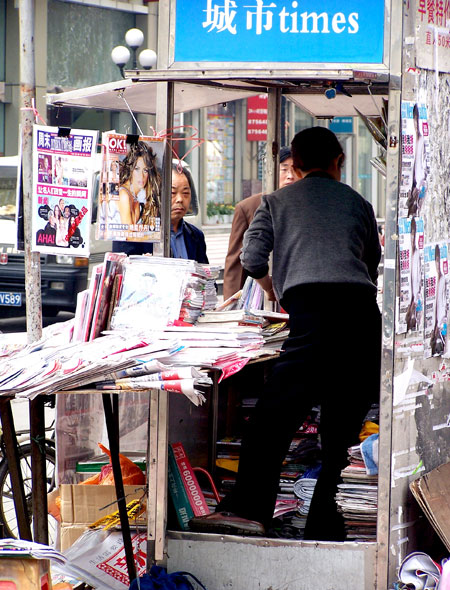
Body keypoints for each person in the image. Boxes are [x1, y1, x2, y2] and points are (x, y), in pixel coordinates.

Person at [190, 127, 381, 540]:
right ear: (338, 162)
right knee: (342, 428)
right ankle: (325, 523)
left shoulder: (275, 203)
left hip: (310, 315)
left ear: (292, 164)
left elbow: (253, 257)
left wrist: (273, 287)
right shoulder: (359, 203)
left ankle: (248, 509)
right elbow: (372, 262)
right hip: (362, 318)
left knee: (272, 419)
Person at [223, 146, 300, 300]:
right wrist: (231, 304)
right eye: (284, 169)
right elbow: (235, 264)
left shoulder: (306, 205)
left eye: (295, 170)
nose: (290, 176)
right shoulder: (249, 207)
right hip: (260, 295)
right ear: (271, 171)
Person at [112, 164, 208, 263]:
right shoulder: (135, 234)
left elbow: (204, 273)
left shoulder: (196, 236)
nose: (180, 199)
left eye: (185, 193)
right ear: (156, 193)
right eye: (173, 193)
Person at [117, 141, 161, 228]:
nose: (141, 176)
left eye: (145, 170)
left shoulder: (140, 195)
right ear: (130, 170)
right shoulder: (124, 194)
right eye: (137, 169)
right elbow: (128, 234)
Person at [431, 244, 447, 355]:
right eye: (436, 261)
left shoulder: (444, 281)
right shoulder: (435, 280)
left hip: (442, 326)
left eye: (438, 260)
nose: (437, 264)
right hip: (436, 326)